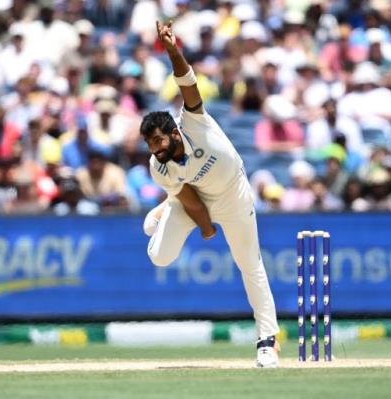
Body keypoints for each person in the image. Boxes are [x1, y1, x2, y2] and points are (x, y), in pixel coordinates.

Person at [140, 21, 280, 368]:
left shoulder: (193, 123)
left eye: (158, 140)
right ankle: (163, 209)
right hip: (195, 201)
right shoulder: (158, 167)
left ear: (173, 132)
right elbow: (190, 197)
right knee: (159, 256)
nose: (155, 148)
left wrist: (172, 50)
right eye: (150, 144)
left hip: (235, 197)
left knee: (251, 266)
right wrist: (205, 227)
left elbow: (187, 81)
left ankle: (266, 341)